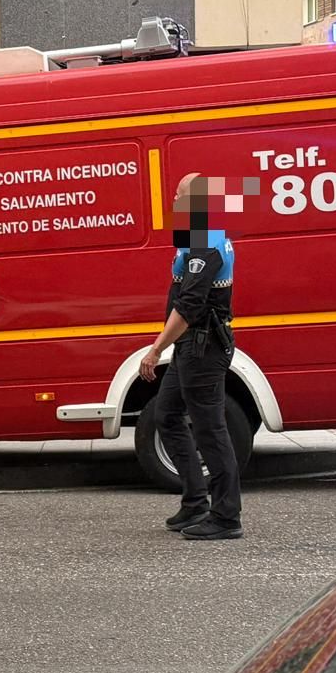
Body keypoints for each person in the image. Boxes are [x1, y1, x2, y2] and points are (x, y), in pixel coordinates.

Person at [138, 172, 242, 541]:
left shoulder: (207, 241)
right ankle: (196, 500)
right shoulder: (196, 236)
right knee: (166, 415)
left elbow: (190, 305)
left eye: (180, 196)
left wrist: (155, 349)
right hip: (191, 347)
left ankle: (226, 516)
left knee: (210, 429)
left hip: (203, 347)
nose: (175, 203)